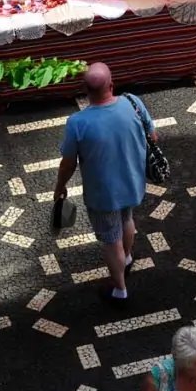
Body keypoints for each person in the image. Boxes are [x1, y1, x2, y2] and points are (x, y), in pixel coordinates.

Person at [54, 63, 156, 306]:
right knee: (127, 219)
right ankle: (128, 258)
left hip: (103, 194)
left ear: (85, 91)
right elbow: (153, 136)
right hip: (132, 182)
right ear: (112, 85)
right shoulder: (132, 103)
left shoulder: (78, 122)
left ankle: (119, 289)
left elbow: (68, 163)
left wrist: (60, 186)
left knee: (112, 240)